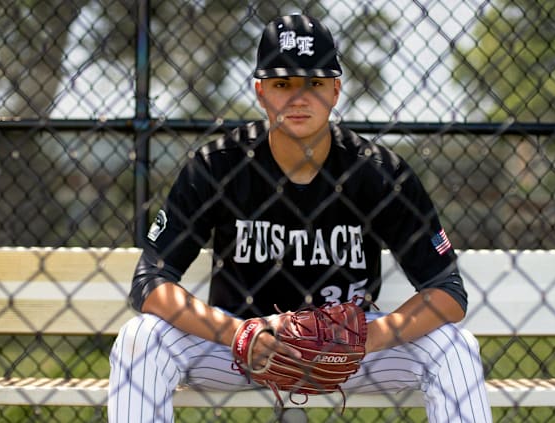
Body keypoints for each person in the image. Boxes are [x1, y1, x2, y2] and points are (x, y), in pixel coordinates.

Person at [109, 14, 492, 422]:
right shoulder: (217, 166)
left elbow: (448, 292)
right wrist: (236, 333)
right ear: (260, 92)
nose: (298, 98)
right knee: (142, 339)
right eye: (282, 84)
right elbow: (149, 283)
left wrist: (364, 338)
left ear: (335, 91)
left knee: (455, 347)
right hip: (241, 345)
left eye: (314, 83)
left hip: (348, 354)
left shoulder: (379, 172)